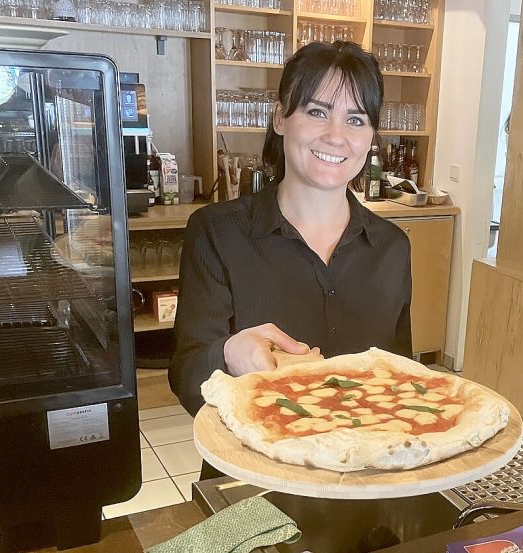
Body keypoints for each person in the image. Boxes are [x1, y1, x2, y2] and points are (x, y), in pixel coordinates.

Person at [169, 41, 413, 422]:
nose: (336, 136)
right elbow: (187, 379)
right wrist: (229, 354)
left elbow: (400, 377)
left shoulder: (392, 247)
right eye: (318, 112)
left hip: (365, 469)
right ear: (280, 118)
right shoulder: (216, 232)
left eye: (356, 119)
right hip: (256, 467)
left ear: (370, 137)